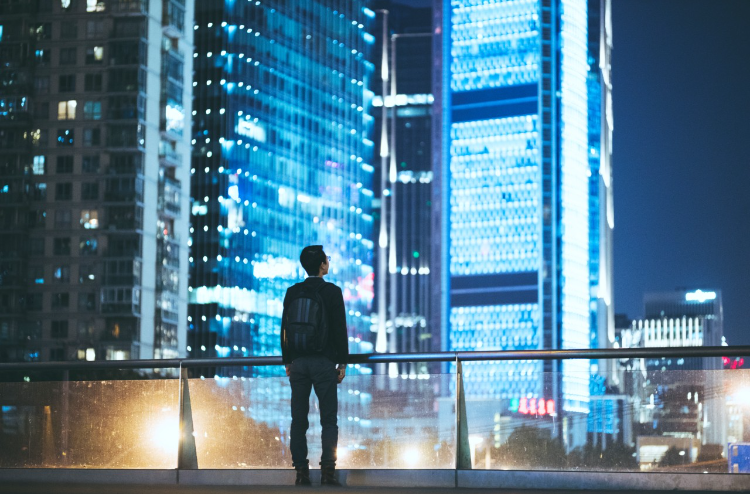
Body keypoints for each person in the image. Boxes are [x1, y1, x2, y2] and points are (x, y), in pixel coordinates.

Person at [281, 245, 348, 486]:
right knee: (328, 419)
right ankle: (328, 473)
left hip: (298, 363)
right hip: (323, 362)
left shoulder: (292, 292)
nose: (327, 262)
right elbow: (340, 329)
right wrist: (343, 362)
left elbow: (285, 329)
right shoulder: (332, 292)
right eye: (326, 260)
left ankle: (301, 472)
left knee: (298, 420)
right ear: (322, 265)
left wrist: (288, 361)